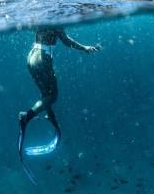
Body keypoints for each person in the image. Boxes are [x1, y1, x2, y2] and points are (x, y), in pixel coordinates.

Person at [18, 27, 100, 162]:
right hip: (43, 57)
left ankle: (50, 118)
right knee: (53, 95)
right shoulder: (55, 19)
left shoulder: (40, 16)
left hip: (31, 56)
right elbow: (66, 41)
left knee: (45, 94)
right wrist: (85, 48)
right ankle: (26, 117)